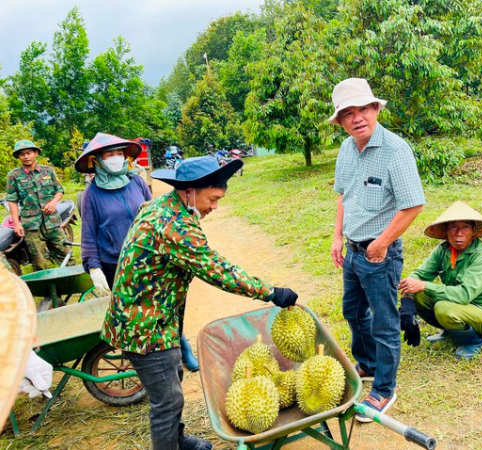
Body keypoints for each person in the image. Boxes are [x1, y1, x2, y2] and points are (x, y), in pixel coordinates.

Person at [100, 156, 299, 450]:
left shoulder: (165, 206)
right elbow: (218, 270)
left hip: (157, 316)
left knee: (173, 378)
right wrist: (271, 292)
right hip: (143, 325)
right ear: (190, 191)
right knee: (167, 401)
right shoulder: (174, 224)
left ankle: (177, 439)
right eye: (213, 198)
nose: (215, 207)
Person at [328, 78, 425, 422]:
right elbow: (344, 195)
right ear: (340, 121)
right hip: (353, 251)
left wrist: (381, 243)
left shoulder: (395, 150)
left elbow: (412, 205)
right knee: (352, 311)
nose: (358, 118)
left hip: (379, 254)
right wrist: (338, 237)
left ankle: (384, 389)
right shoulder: (345, 149)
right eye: (348, 113)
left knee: (384, 323)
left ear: (377, 109)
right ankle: (367, 364)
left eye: (364, 109)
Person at [76, 132, 199, 372]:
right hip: (117, 264)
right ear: (98, 160)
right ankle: (153, 360)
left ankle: (181, 344)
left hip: (151, 257)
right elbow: (88, 234)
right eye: (109, 154)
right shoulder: (91, 195)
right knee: (138, 314)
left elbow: (156, 213)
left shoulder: (137, 182)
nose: (115, 158)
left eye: (119, 153)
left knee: (167, 305)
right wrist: (93, 266)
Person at [398, 201, 482, 359]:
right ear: (446, 231)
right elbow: (418, 275)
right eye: (453, 227)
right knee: (418, 293)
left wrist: (424, 285)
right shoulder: (443, 250)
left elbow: (463, 295)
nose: (459, 233)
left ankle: (474, 340)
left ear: (473, 232)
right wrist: (408, 303)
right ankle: (451, 331)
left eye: (465, 227)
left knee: (443, 308)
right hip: (460, 305)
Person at [5, 139, 74, 271]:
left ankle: (73, 285)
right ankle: (49, 291)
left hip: (52, 222)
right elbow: (12, 201)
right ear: (18, 157)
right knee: (39, 263)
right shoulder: (13, 176)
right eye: (22, 154)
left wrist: (53, 203)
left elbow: (59, 190)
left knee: (66, 255)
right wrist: (17, 224)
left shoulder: (48, 171)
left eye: (29, 153)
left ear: (36, 153)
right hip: (31, 226)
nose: (26, 156)